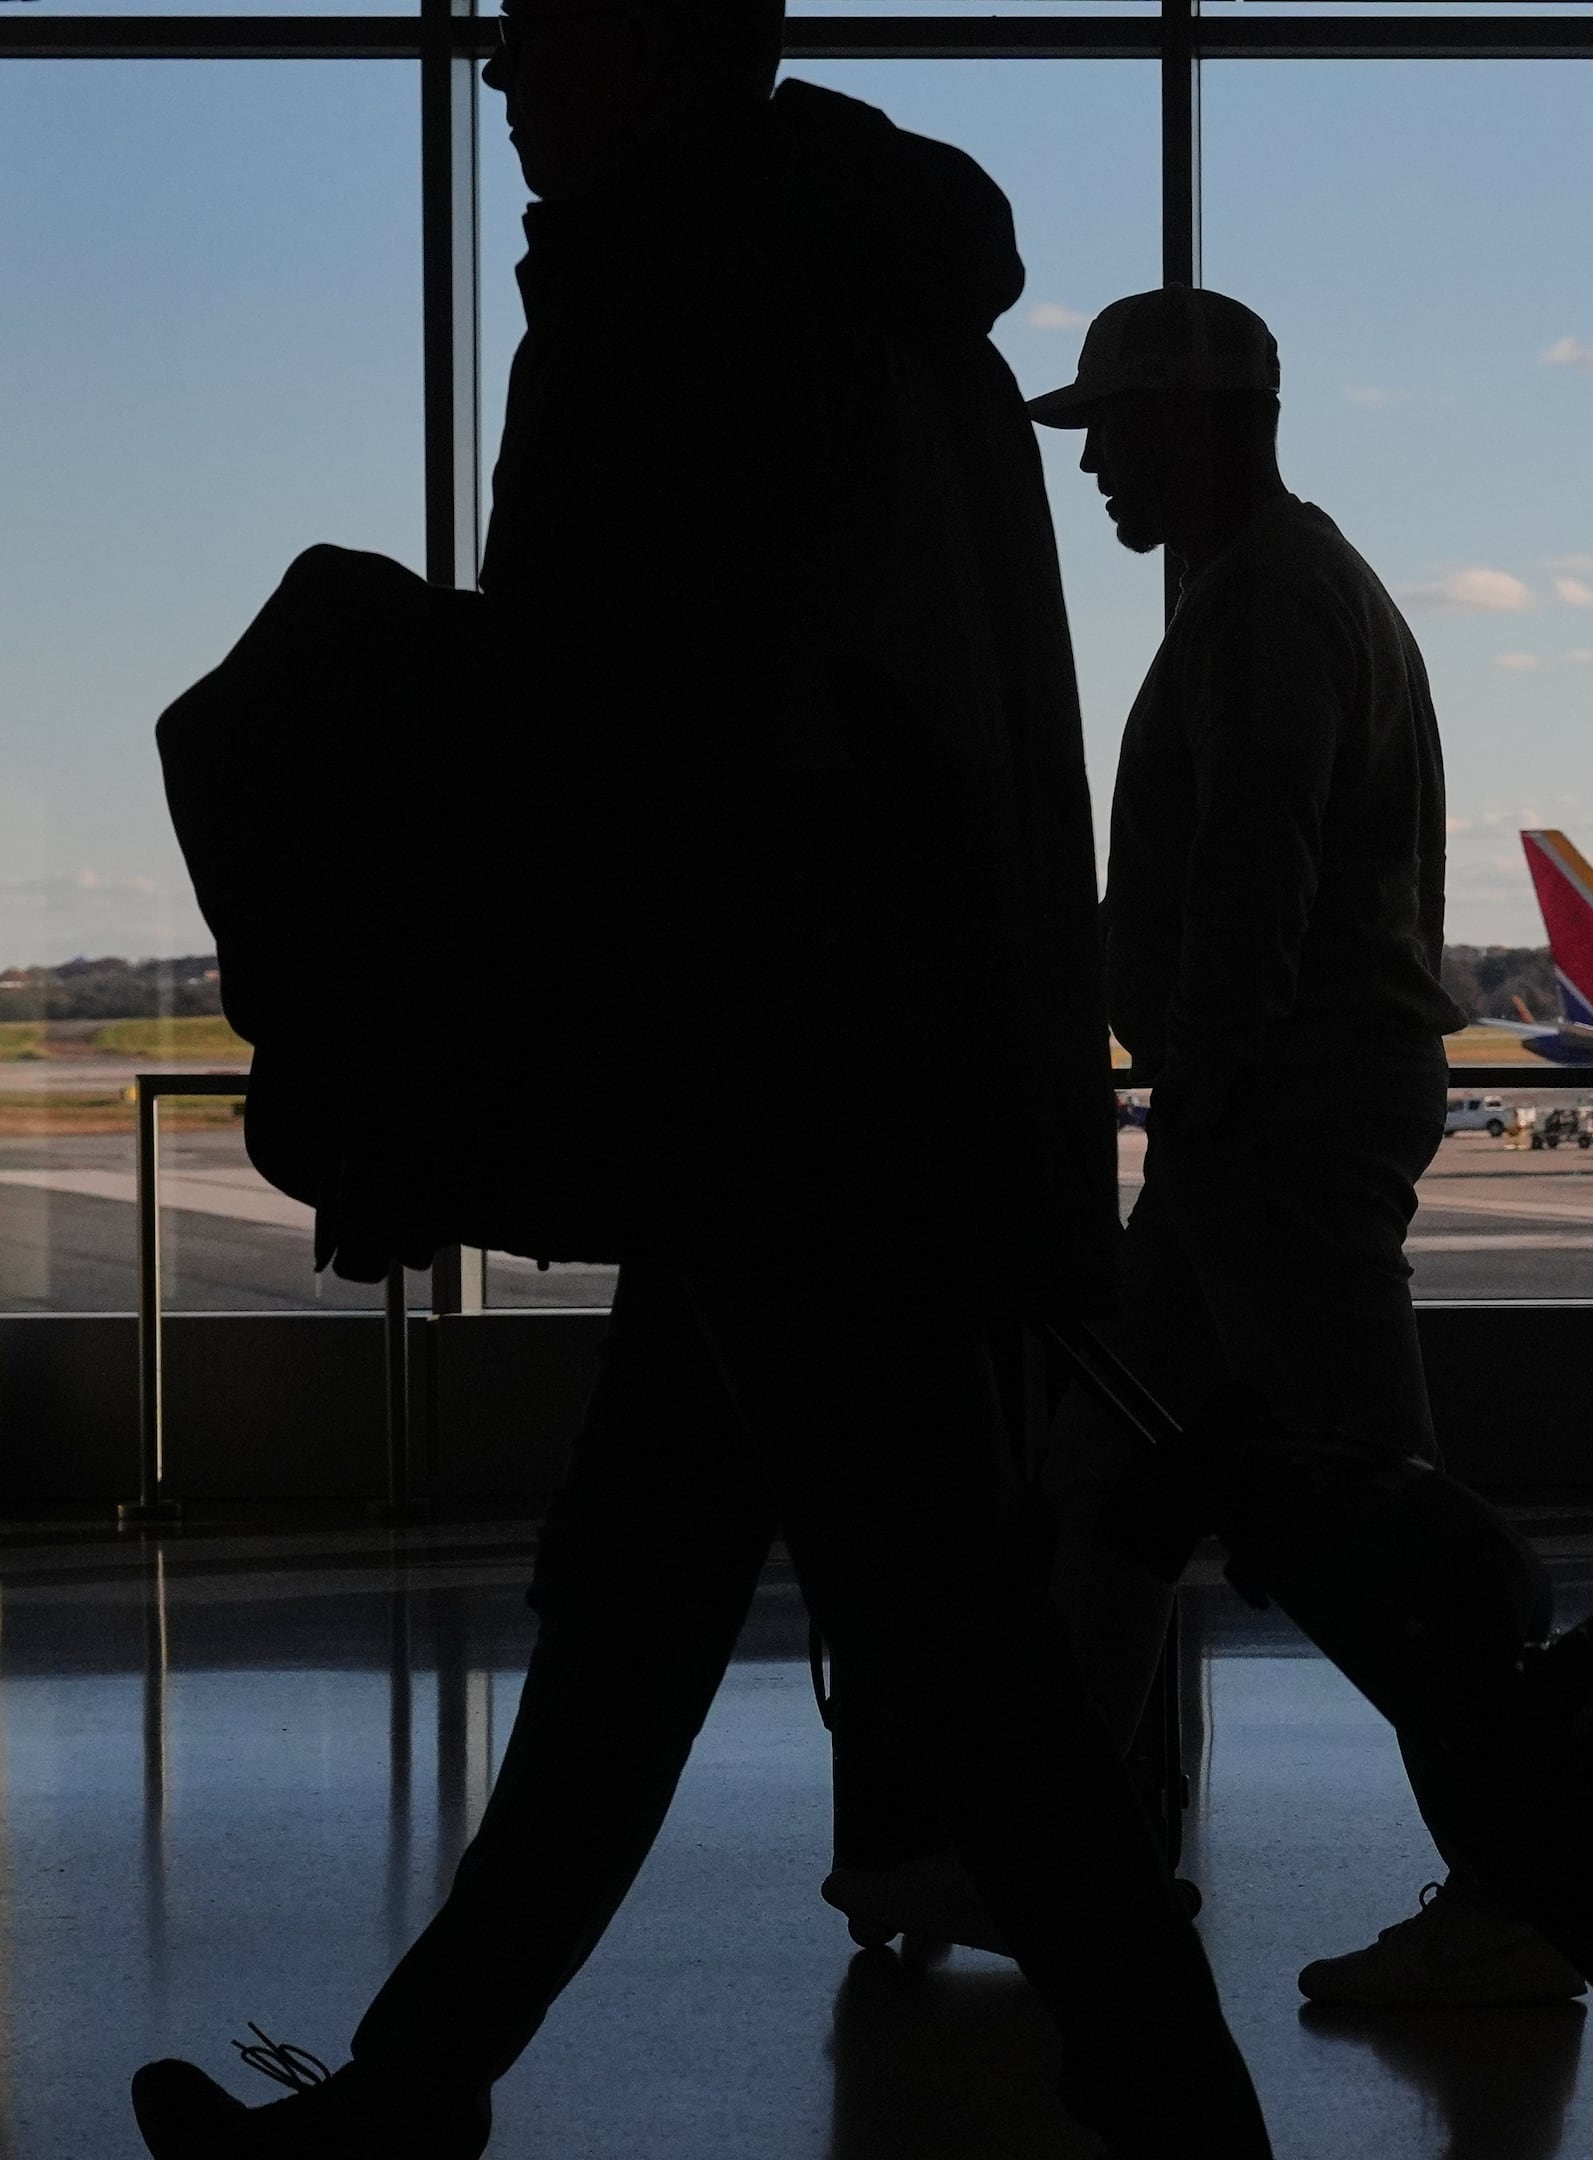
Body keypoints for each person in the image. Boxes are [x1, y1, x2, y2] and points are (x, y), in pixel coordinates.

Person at [129, 5, 1271, 2155]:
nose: (496, 66)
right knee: (669, 1621)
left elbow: (633, 742)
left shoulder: (687, 299)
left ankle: (1189, 2116)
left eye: (540, 21)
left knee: (918, 1652)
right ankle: (412, 2085)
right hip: (851, 1081)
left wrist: (378, 836)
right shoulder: (864, 288)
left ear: (653, 43)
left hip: (776, 1096)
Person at [1023, 288, 1582, 2010]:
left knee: (1372, 1527)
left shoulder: (1267, 602)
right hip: (1264, 1107)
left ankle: (1522, 1892)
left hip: (1273, 1110)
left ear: (1200, 418)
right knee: (1114, 1484)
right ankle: (1047, 1847)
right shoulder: (1284, 586)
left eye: (1112, 428)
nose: (1095, 463)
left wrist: (1208, 1067)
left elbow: (1259, 851)